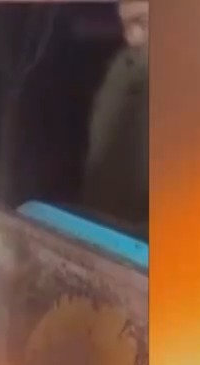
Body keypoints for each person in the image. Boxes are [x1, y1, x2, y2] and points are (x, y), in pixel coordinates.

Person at [81, 1, 148, 229]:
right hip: (104, 232)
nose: (131, 38)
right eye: (125, 26)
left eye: (143, 23)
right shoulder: (122, 69)